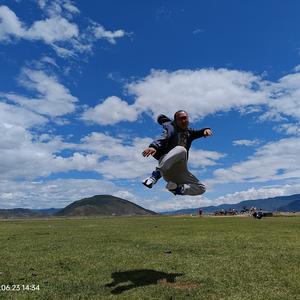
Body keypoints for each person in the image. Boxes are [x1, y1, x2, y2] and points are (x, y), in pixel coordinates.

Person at [142, 110, 213, 195]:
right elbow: (162, 137)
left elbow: (200, 131)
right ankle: (155, 176)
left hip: (180, 170)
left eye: (185, 118)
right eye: (180, 119)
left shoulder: (190, 131)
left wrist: (206, 129)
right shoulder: (171, 128)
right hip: (166, 165)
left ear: (188, 119)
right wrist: (153, 146)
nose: (184, 121)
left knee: (202, 188)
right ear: (175, 122)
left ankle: (177, 189)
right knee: (181, 149)